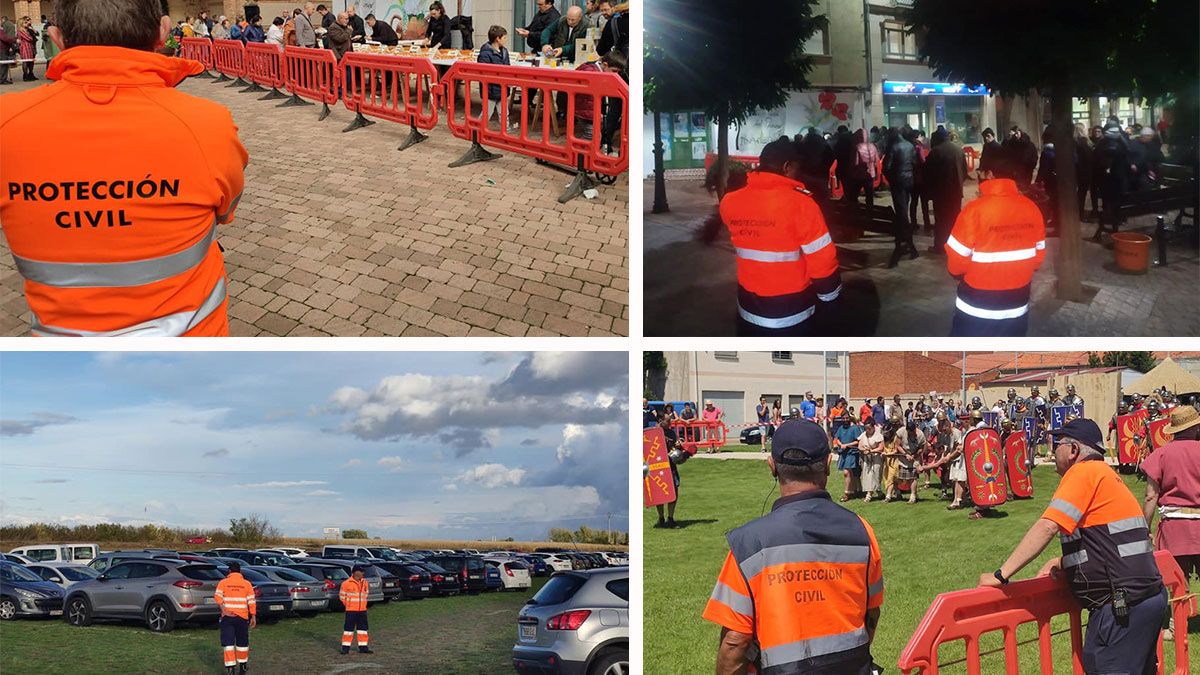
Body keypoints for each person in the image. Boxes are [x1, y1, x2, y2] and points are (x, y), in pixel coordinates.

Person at [0, 0, 246, 337]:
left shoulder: (7, 122)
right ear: (163, 31)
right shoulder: (208, 123)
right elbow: (226, 209)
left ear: (57, 38)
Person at [980, 418, 1166, 675]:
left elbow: (1047, 526)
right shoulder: (1106, 476)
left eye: (1057, 444)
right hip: (1146, 597)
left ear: (1074, 450)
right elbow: (1108, 542)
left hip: (1122, 607)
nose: (1053, 449)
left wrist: (1000, 575)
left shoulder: (1083, 472)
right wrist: (1063, 562)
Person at [702, 420, 884, 675]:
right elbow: (871, 612)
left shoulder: (750, 543)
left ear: (772, 467)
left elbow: (736, 642)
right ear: (829, 464)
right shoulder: (862, 531)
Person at [717, 138, 841, 336]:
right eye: (797, 167)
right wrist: (830, 300)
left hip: (748, 309)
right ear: (787, 167)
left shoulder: (730, 202)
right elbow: (822, 261)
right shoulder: (802, 205)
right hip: (792, 314)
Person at [945, 147, 1046, 336]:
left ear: (990, 174)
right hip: (1017, 306)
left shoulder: (974, 210)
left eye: (981, 172)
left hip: (976, 309)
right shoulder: (1032, 208)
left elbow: (955, 265)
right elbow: (1038, 258)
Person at [1141, 405, 1200, 590]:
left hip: (1174, 527)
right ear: (1196, 427)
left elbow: (1151, 496)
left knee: (1178, 583)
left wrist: (1145, 528)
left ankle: (1181, 618)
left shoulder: (1161, 454)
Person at [925, 127, 967, 255]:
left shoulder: (935, 152)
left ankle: (940, 246)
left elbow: (929, 174)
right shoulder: (958, 150)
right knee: (954, 219)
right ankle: (955, 246)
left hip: (941, 193)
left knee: (941, 220)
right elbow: (965, 171)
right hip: (956, 191)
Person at [883, 127, 917, 268]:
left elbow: (886, 167)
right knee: (904, 209)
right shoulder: (909, 145)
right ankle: (908, 243)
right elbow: (914, 163)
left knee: (901, 212)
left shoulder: (894, 147)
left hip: (898, 181)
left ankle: (906, 240)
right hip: (909, 180)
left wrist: (890, 178)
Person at [215, 561, 256, 674]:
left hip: (227, 618)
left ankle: (230, 669)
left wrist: (224, 611)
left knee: (228, 643)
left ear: (229, 571)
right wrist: (253, 616)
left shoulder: (223, 582)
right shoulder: (247, 584)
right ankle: (243, 667)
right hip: (242, 617)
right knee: (242, 643)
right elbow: (251, 601)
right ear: (240, 571)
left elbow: (217, 598)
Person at [573, 50, 624, 141]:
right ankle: (578, 153)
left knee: (595, 136)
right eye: (614, 71)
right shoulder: (591, 72)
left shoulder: (597, 71)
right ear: (605, 65)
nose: (616, 75)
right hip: (585, 111)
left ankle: (582, 153)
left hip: (587, 110)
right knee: (591, 136)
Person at [654, 414, 683, 528]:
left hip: (671, 467)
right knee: (659, 494)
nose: (670, 423)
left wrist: (678, 445)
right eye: (668, 421)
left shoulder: (671, 433)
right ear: (661, 420)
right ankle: (661, 518)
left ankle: (670, 518)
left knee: (674, 492)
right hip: (658, 468)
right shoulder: (652, 432)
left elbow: (676, 448)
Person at [339, 566, 373, 654]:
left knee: (363, 629)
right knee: (348, 630)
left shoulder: (365, 582)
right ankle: (345, 648)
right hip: (351, 610)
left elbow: (366, 594)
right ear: (356, 572)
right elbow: (342, 596)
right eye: (361, 572)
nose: (363, 573)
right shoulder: (346, 583)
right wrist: (349, 604)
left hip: (362, 610)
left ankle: (363, 647)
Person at [833, 412, 863, 501]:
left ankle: (846, 493)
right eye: (843, 418)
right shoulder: (841, 428)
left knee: (847, 472)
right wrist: (840, 444)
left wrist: (847, 445)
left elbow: (858, 441)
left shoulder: (854, 428)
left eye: (847, 418)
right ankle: (856, 490)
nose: (845, 420)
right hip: (844, 453)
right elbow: (837, 438)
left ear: (849, 418)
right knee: (852, 473)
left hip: (852, 452)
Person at [845, 128, 878, 209]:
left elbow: (854, 163)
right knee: (869, 195)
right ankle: (870, 212)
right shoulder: (873, 146)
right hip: (870, 174)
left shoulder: (857, 147)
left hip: (858, 174)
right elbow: (877, 161)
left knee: (854, 195)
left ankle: (856, 213)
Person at [908, 129, 931, 231]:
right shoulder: (918, 147)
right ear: (918, 137)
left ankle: (913, 222)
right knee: (924, 201)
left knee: (913, 201)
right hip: (921, 177)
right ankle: (927, 223)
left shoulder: (908, 147)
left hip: (911, 177)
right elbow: (923, 160)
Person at [858, 417, 885, 502]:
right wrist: (864, 450)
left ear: (873, 427)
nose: (867, 430)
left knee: (877, 475)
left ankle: (878, 490)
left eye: (869, 428)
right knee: (868, 475)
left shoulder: (878, 435)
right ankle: (869, 494)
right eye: (866, 428)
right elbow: (860, 446)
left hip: (876, 458)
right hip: (867, 459)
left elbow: (881, 447)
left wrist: (872, 451)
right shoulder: (863, 435)